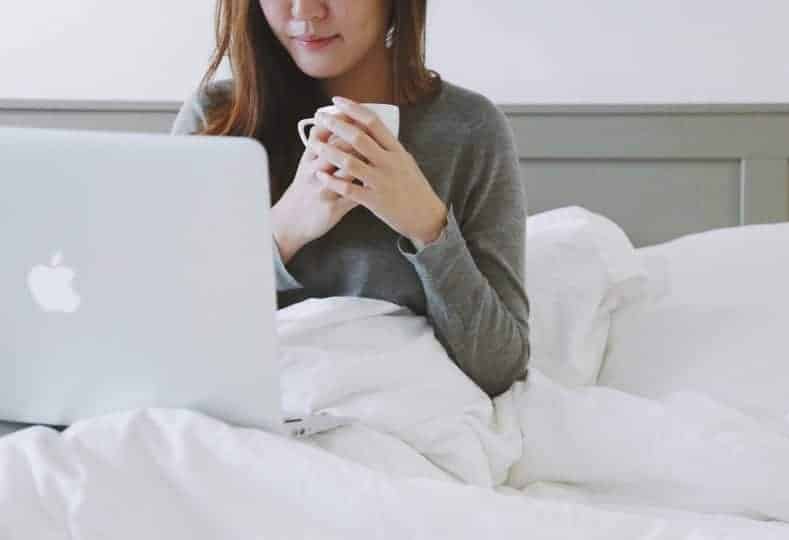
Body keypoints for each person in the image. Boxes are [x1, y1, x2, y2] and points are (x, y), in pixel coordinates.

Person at [171, 0, 529, 397]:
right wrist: (283, 229)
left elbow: (501, 367)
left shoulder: (470, 130)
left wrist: (428, 227)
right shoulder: (218, 120)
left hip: (397, 433)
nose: (305, 10)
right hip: (249, 429)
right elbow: (171, 334)